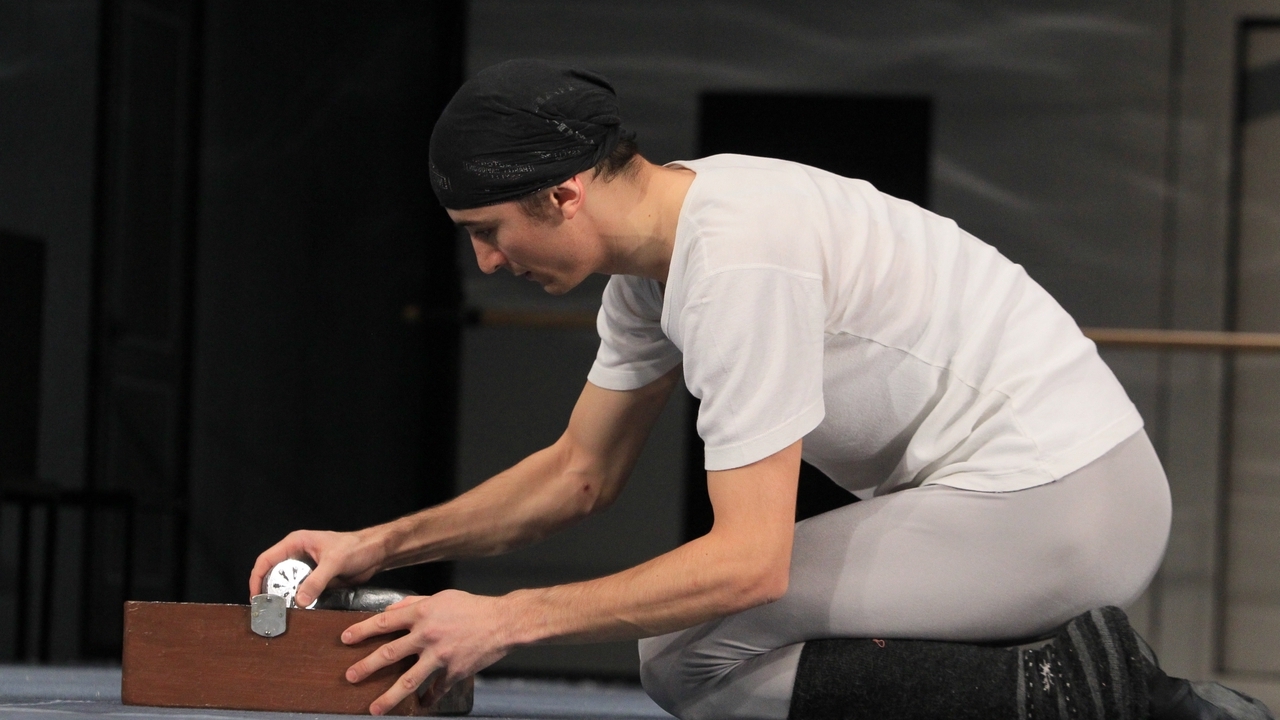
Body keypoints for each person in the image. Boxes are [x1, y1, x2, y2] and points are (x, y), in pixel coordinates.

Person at [251, 59, 1271, 720]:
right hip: (1026, 497)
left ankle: (1107, 696)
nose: (484, 262)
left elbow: (746, 563)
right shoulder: (657, 262)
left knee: (688, 650)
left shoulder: (735, 258)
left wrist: (503, 620)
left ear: (562, 194)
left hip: (1062, 505)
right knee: (688, 647)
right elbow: (576, 476)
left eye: (488, 232)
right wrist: (373, 546)